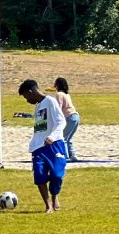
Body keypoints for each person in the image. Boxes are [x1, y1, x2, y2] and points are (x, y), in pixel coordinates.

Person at [18, 78, 67, 212]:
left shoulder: (50, 101)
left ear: (30, 91)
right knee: (39, 176)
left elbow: (61, 122)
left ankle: (54, 196)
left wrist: (52, 137)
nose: (27, 100)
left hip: (54, 144)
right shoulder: (38, 106)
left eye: (26, 96)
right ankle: (48, 205)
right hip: (38, 148)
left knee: (57, 175)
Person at [54, 77, 80, 162]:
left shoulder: (59, 94)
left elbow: (58, 108)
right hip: (75, 116)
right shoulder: (66, 94)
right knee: (69, 138)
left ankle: (65, 156)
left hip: (69, 117)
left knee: (63, 138)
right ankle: (73, 155)